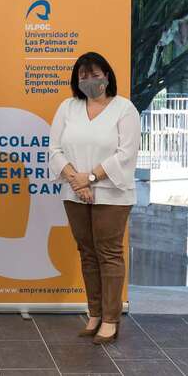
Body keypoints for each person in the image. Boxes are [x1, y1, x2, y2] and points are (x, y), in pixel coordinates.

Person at [48, 51, 140, 345]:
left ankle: (111, 319)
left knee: (109, 253)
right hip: (74, 191)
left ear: (107, 76)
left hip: (112, 193)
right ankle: (95, 313)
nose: (89, 80)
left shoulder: (124, 109)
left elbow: (126, 154)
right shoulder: (68, 107)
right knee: (87, 252)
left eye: (95, 75)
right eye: (83, 76)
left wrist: (89, 178)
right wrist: (77, 180)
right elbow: (54, 149)